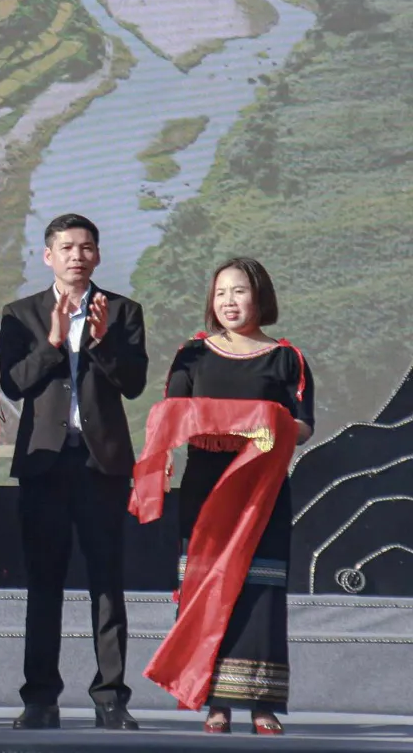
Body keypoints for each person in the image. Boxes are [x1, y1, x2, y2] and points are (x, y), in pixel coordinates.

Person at [0, 213, 149, 730]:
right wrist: (54, 342)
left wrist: (102, 341)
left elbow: (133, 384)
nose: (76, 256)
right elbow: (13, 384)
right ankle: (40, 698)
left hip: (101, 463)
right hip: (45, 464)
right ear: (49, 256)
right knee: (44, 583)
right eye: (66, 247)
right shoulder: (21, 314)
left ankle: (111, 698)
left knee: (106, 583)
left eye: (86, 247)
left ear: (98, 255)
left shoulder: (123, 311)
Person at [162, 258, 312, 735]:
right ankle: (215, 703)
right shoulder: (192, 354)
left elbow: (303, 425)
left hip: (262, 490)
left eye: (239, 291)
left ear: (260, 297)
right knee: (208, 590)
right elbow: (172, 414)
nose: (229, 301)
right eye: (221, 292)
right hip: (206, 488)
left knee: (260, 590)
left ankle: (262, 703)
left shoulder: (286, 357)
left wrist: (271, 425)